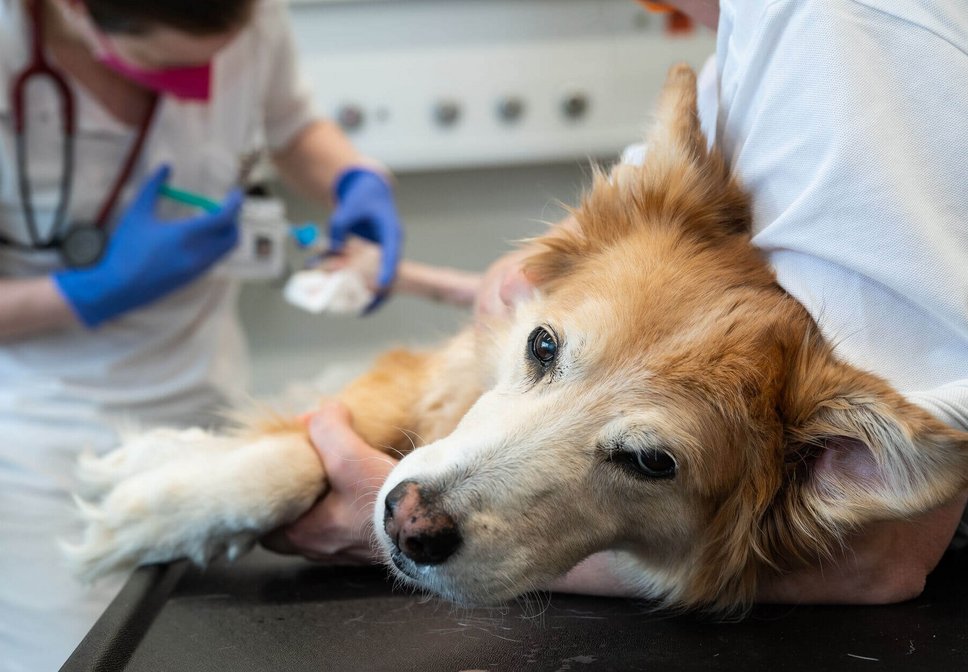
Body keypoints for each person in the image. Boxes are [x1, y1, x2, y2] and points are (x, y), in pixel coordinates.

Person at [270, 0, 968, 606]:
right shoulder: (758, 45)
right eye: (545, 355)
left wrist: (372, 524)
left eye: (646, 459)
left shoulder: (846, 24)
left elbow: (882, 560)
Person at [0, 0, 402, 668]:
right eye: (171, 60)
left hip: (210, 424)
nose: (215, 74)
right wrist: (85, 293)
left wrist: (352, 180)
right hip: (37, 443)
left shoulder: (251, 13)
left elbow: (293, 126)